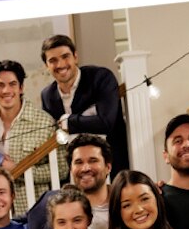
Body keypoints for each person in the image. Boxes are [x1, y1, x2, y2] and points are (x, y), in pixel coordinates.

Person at [39, 33, 129, 174]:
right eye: (53, 60)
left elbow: (106, 122)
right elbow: (54, 135)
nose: (60, 65)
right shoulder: (47, 95)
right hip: (75, 172)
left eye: (65, 56)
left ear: (75, 56)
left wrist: (68, 122)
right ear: (46, 65)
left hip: (112, 167)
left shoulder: (100, 78)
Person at [0, 60, 62, 217]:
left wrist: (18, 170)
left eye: (12, 84)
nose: (6, 90)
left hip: (34, 208)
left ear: (21, 88)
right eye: (0, 85)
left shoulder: (44, 122)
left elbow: (61, 168)